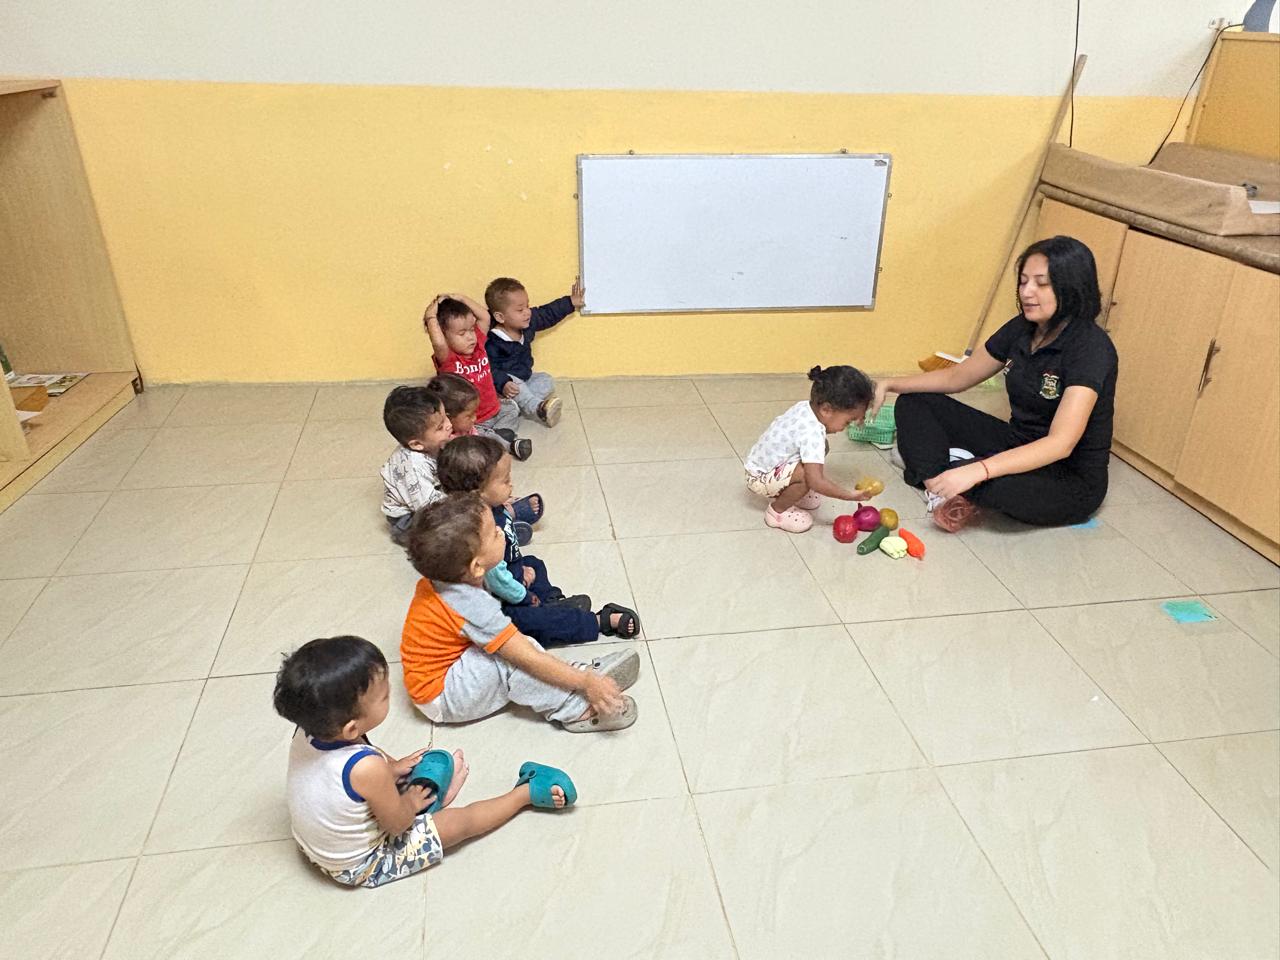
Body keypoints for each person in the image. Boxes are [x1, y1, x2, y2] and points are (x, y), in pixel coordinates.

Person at [273, 634, 576, 888]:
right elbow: (397, 825)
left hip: (316, 846)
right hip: (361, 863)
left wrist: (393, 768)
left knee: (418, 770)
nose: (391, 694)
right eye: (384, 697)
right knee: (460, 823)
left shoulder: (309, 729)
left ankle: (419, 795)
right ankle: (524, 794)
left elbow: (359, 753)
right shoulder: (366, 768)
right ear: (352, 727)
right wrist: (410, 803)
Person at [871, 235, 1117, 530]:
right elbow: (958, 377)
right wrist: (891, 384)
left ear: (1072, 287)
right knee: (915, 401)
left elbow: (1060, 444)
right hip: (1016, 443)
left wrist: (981, 469)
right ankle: (940, 483)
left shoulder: (1090, 348)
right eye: (1023, 282)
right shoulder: (1023, 327)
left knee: (995, 486)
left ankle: (947, 471)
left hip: (1067, 477)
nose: (1027, 292)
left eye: (1041, 284)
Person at [401, 494, 641, 732]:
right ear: (476, 566)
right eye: (494, 533)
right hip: (444, 696)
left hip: (450, 669)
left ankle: (572, 677)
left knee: (515, 640)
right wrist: (585, 682)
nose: (502, 532)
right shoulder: (470, 606)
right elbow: (527, 658)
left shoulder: (447, 577)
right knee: (513, 660)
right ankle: (573, 707)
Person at [437, 435, 641, 646]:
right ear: (478, 493)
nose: (511, 484)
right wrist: (524, 594)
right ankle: (597, 622)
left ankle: (553, 602)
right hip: (502, 601)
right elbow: (497, 581)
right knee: (530, 620)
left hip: (511, 575)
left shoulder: (489, 508)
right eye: (505, 481)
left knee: (534, 563)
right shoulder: (479, 530)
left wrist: (520, 573)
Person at [744, 365, 876, 533]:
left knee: (820, 450)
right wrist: (849, 495)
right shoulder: (812, 432)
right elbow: (816, 481)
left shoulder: (806, 407)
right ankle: (777, 512)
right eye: (848, 421)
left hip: (761, 466)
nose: (846, 427)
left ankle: (796, 492)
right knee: (808, 477)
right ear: (826, 410)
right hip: (760, 478)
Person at [427, 372, 544, 537]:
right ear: (448, 417)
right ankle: (502, 523)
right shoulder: (446, 445)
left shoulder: (467, 430)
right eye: (469, 415)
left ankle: (503, 510)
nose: (475, 418)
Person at [423, 294, 531, 460]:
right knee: (471, 435)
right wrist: (431, 317)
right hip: (473, 419)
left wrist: (460, 298)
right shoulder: (449, 359)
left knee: (512, 409)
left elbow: (485, 317)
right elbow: (437, 343)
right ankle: (507, 444)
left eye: (471, 329)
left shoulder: (479, 345)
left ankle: (496, 436)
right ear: (444, 336)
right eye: (462, 333)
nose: (470, 337)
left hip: (495, 408)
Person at [483, 276, 585, 428]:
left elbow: (547, 313)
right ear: (500, 317)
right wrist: (503, 383)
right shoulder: (493, 341)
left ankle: (512, 406)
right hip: (504, 384)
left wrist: (570, 302)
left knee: (546, 380)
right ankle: (539, 408)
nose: (527, 312)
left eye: (527, 306)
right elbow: (488, 369)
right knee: (515, 383)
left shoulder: (527, 325)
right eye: (520, 310)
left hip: (524, 379)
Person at [379, 386, 453, 545]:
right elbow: (427, 506)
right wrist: (462, 503)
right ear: (417, 444)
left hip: (429, 493)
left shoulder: (429, 444)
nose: (448, 425)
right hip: (407, 517)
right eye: (440, 427)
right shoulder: (413, 467)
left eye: (446, 416)